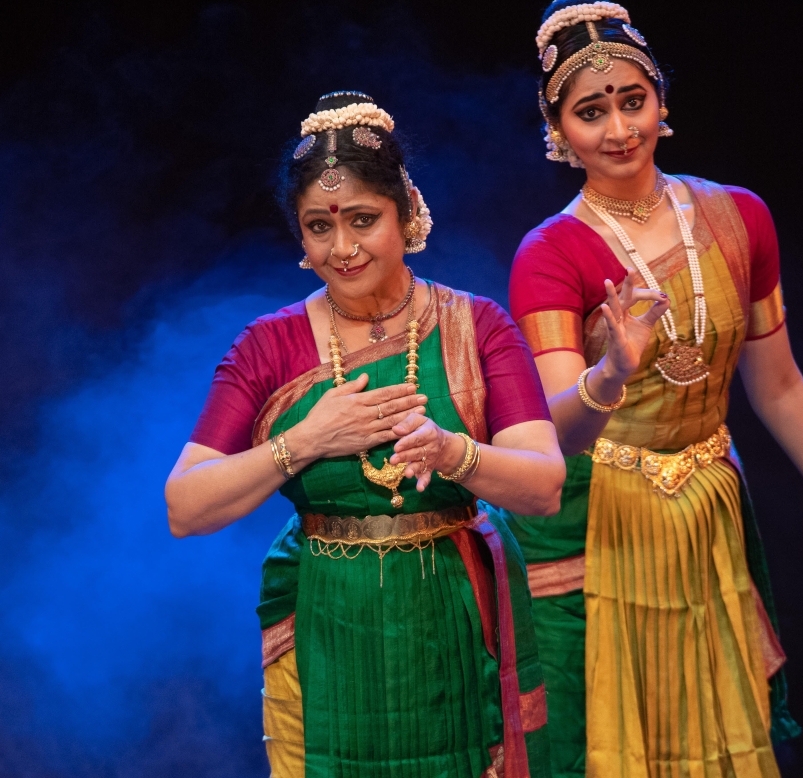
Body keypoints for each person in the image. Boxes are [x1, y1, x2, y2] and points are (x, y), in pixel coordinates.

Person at [504, 3, 803, 776]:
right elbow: (556, 429)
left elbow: (779, 388)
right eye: (591, 113)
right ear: (557, 131)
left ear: (661, 102)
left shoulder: (737, 217)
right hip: (595, 531)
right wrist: (611, 373)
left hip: (708, 516)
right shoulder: (550, 254)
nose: (619, 129)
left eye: (632, 101)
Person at [164, 91, 564, 778]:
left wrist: (452, 452)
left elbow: (545, 484)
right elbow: (185, 506)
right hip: (331, 626)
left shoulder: (478, 327)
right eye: (319, 226)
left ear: (405, 213)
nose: (342, 247)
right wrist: (307, 440)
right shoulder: (269, 346)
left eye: (362, 220)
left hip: (453, 623)